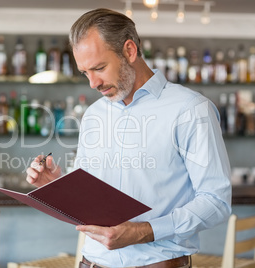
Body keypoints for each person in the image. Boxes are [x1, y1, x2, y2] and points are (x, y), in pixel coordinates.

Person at [26, 8, 232, 268]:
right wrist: (57, 184)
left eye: (99, 68)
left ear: (130, 51)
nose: (93, 83)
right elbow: (88, 196)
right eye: (85, 72)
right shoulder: (94, 115)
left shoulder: (191, 110)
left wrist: (144, 231)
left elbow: (216, 202)